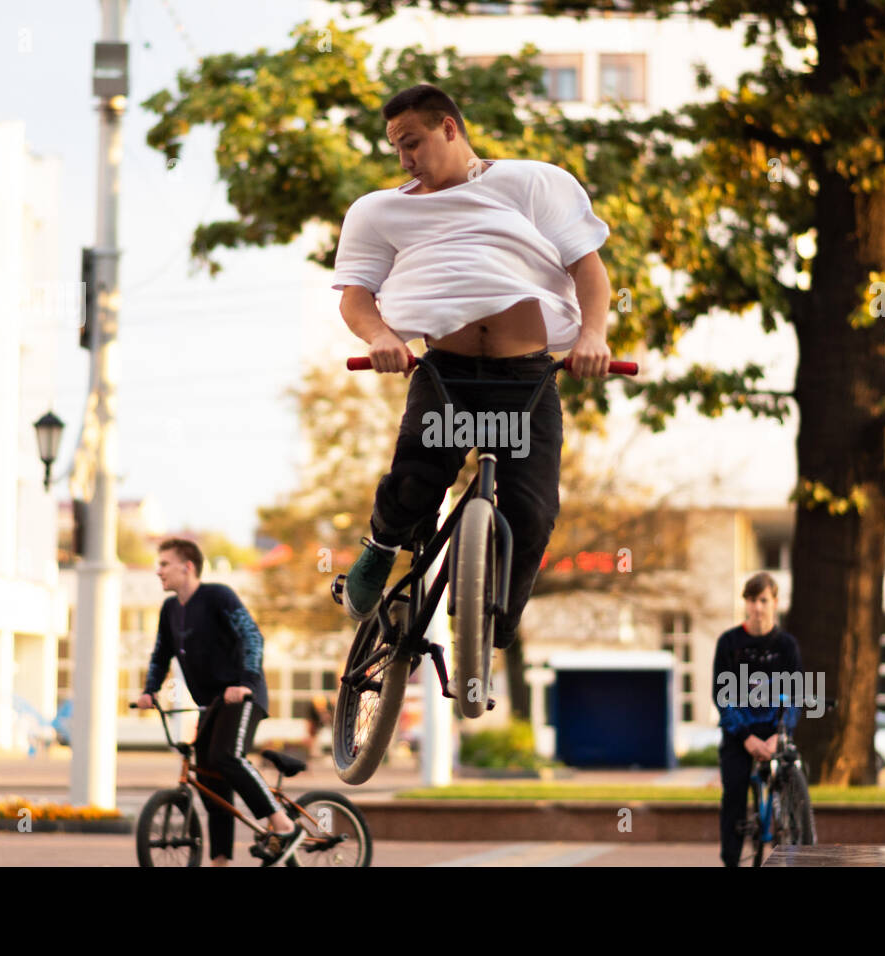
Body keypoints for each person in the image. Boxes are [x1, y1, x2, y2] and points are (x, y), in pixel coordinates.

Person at [331, 83, 613, 653]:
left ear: (450, 129)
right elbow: (354, 295)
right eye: (396, 149)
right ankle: (382, 547)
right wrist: (382, 335)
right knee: (415, 483)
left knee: (532, 514)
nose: (405, 158)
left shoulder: (533, 183)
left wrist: (593, 335)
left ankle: (491, 624)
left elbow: (588, 268)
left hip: (526, 380)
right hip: (447, 376)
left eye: (412, 142)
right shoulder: (380, 210)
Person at [136, 538, 304, 866]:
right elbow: (161, 654)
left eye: (165, 564)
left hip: (243, 696)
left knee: (226, 756)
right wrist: (149, 690)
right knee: (211, 783)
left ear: (188, 567)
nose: (159, 571)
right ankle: (220, 861)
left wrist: (244, 683)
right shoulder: (170, 610)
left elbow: (252, 636)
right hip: (212, 705)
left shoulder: (217, 596)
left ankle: (284, 826)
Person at [713, 572, 802, 867]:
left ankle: (794, 839)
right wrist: (746, 738)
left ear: (775, 602)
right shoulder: (729, 643)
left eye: (763, 600)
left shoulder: (787, 646)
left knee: (794, 776)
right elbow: (722, 698)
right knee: (735, 791)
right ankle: (731, 860)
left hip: (775, 732)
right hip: (741, 735)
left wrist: (781, 733)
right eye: (752, 600)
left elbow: (796, 695)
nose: (758, 607)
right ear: (745, 603)